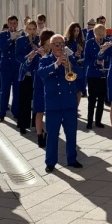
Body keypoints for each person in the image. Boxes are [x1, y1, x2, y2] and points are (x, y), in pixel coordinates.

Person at [38, 34, 82, 171]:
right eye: (57, 44)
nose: (60, 47)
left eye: (62, 44)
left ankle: (72, 159)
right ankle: (50, 162)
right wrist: (56, 64)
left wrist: (71, 66)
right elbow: (41, 73)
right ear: (51, 46)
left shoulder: (70, 59)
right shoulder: (45, 60)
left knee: (71, 133)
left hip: (69, 102)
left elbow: (80, 74)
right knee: (52, 135)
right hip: (53, 104)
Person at [15, 20, 39, 134]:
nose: (32, 31)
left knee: (36, 100)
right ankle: (23, 125)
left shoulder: (38, 40)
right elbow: (17, 56)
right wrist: (28, 57)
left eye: (34, 29)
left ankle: (36, 124)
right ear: (26, 29)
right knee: (24, 100)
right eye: (29, 29)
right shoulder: (20, 40)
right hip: (25, 73)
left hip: (36, 74)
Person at [84, 23, 109, 130]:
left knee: (101, 99)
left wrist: (105, 61)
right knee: (92, 98)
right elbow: (86, 59)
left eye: (102, 34)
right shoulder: (89, 43)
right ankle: (89, 121)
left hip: (103, 74)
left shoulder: (107, 43)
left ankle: (98, 121)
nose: (100, 36)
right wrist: (96, 62)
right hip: (93, 74)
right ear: (94, 33)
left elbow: (109, 57)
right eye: (98, 34)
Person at [32, 28, 54, 148]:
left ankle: (49, 134)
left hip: (51, 84)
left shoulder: (54, 52)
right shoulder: (38, 51)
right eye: (49, 39)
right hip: (40, 84)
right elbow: (32, 66)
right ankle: (39, 135)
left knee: (50, 111)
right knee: (39, 111)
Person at [0, 15, 20, 122]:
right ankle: (2, 113)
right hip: (5, 67)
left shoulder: (21, 35)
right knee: (4, 91)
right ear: (8, 24)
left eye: (14, 23)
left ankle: (15, 112)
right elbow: (2, 48)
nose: (13, 25)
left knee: (16, 91)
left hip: (16, 67)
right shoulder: (2, 35)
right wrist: (11, 39)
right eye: (11, 23)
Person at [64, 22, 86, 105]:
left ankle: (76, 108)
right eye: (75, 31)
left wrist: (81, 51)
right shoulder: (67, 42)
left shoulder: (81, 41)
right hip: (72, 67)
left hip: (80, 67)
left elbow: (84, 55)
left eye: (78, 31)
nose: (76, 33)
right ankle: (71, 107)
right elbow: (65, 54)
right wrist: (74, 54)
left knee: (79, 90)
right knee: (72, 89)